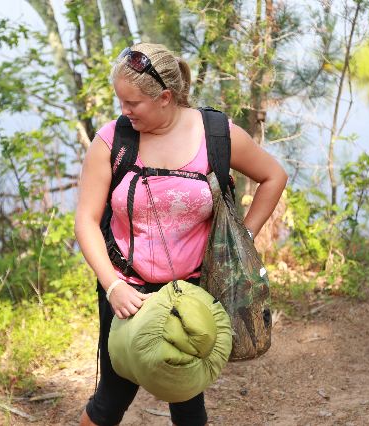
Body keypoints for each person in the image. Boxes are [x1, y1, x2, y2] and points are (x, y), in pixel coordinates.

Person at [74, 42, 287, 426]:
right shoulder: (113, 141)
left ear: (166, 97)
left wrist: (241, 241)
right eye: (120, 101)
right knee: (110, 400)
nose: (123, 111)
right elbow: (86, 221)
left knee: (188, 401)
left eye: (132, 103)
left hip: (192, 291)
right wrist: (112, 286)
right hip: (127, 291)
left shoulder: (216, 135)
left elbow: (274, 176)